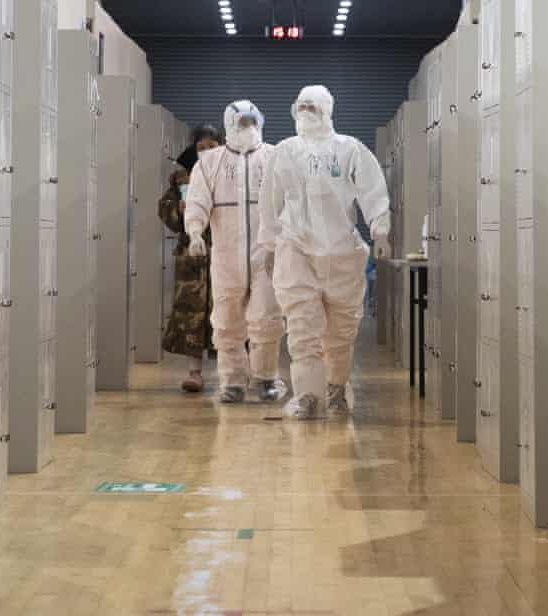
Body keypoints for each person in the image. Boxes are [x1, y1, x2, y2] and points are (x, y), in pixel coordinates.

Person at [257, 85, 391, 419]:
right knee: (302, 328)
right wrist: (270, 245)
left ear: (327, 110)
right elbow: (269, 201)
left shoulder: (348, 149)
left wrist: (380, 228)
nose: (306, 112)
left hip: (342, 251)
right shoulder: (285, 152)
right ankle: (308, 396)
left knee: (341, 330)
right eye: (301, 106)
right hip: (296, 249)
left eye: (312, 107)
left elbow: (372, 189)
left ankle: (336, 388)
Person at [184, 101, 286, 403]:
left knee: (267, 317)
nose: (248, 128)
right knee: (227, 319)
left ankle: (266, 377)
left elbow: (291, 201)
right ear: (229, 124)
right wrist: (194, 231)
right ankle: (232, 381)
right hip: (227, 254)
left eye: (252, 122)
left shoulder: (274, 158)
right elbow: (198, 200)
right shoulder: (210, 162)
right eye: (241, 122)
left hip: (267, 253)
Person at [160, 127, 222, 392]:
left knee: (229, 313)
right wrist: (179, 210)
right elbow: (165, 210)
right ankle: (194, 373)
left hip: (225, 253)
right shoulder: (182, 177)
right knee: (192, 315)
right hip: (192, 259)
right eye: (201, 148)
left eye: (212, 146)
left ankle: (234, 374)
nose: (207, 152)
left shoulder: (232, 174)